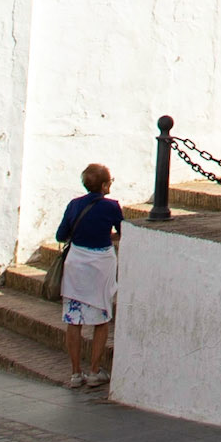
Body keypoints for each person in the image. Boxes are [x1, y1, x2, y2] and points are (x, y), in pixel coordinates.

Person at [55, 163, 122, 389]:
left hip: (76, 265)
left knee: (74, 320)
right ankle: (94, 371)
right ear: (104, 185)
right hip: (101, 266)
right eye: (110, 181)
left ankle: (75, 373)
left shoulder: (74, 205)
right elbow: (123, 232)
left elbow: (60, 235)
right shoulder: (112, 207)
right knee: (101, 319)